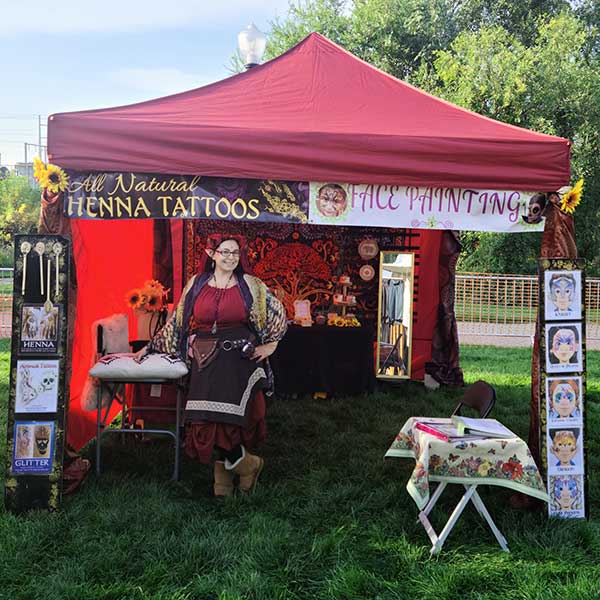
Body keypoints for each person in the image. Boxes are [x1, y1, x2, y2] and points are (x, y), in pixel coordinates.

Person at [135, 234, 287, 497]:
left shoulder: (251, 285)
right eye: (225, 252)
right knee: (205, 422)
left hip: (239, 360)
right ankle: (245, 467)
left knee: (229, 422)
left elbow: (278, 315)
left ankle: (227, 482)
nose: (230, 257)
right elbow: (177, 323)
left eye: (235, 253)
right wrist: (149, 347)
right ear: (212, 253)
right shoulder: (196, 284)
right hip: (205, 360)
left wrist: (269, 346)